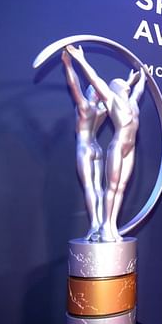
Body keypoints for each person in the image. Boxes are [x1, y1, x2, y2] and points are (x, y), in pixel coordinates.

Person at [66, 45, 146, 242]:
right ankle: (102, 226)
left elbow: (138, 89)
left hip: (129, 148)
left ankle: (111, 226)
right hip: (116, 147)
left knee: (121, 188)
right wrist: (78, 60)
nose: (126, 85)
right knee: (109, 187)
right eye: (121, 84)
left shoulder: (132, 103)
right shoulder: (110, 101)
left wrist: (142, 75)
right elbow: (91, 80)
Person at [62, 50, 107, 241]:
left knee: (90, 187)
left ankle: (96, 224)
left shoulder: (85, 107)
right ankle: (102, 223)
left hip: (84, 148)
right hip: (97, 148)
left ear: (90, 94)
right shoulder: (102, 110)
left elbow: (74, 85)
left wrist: (68, 64)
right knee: (99, 188)